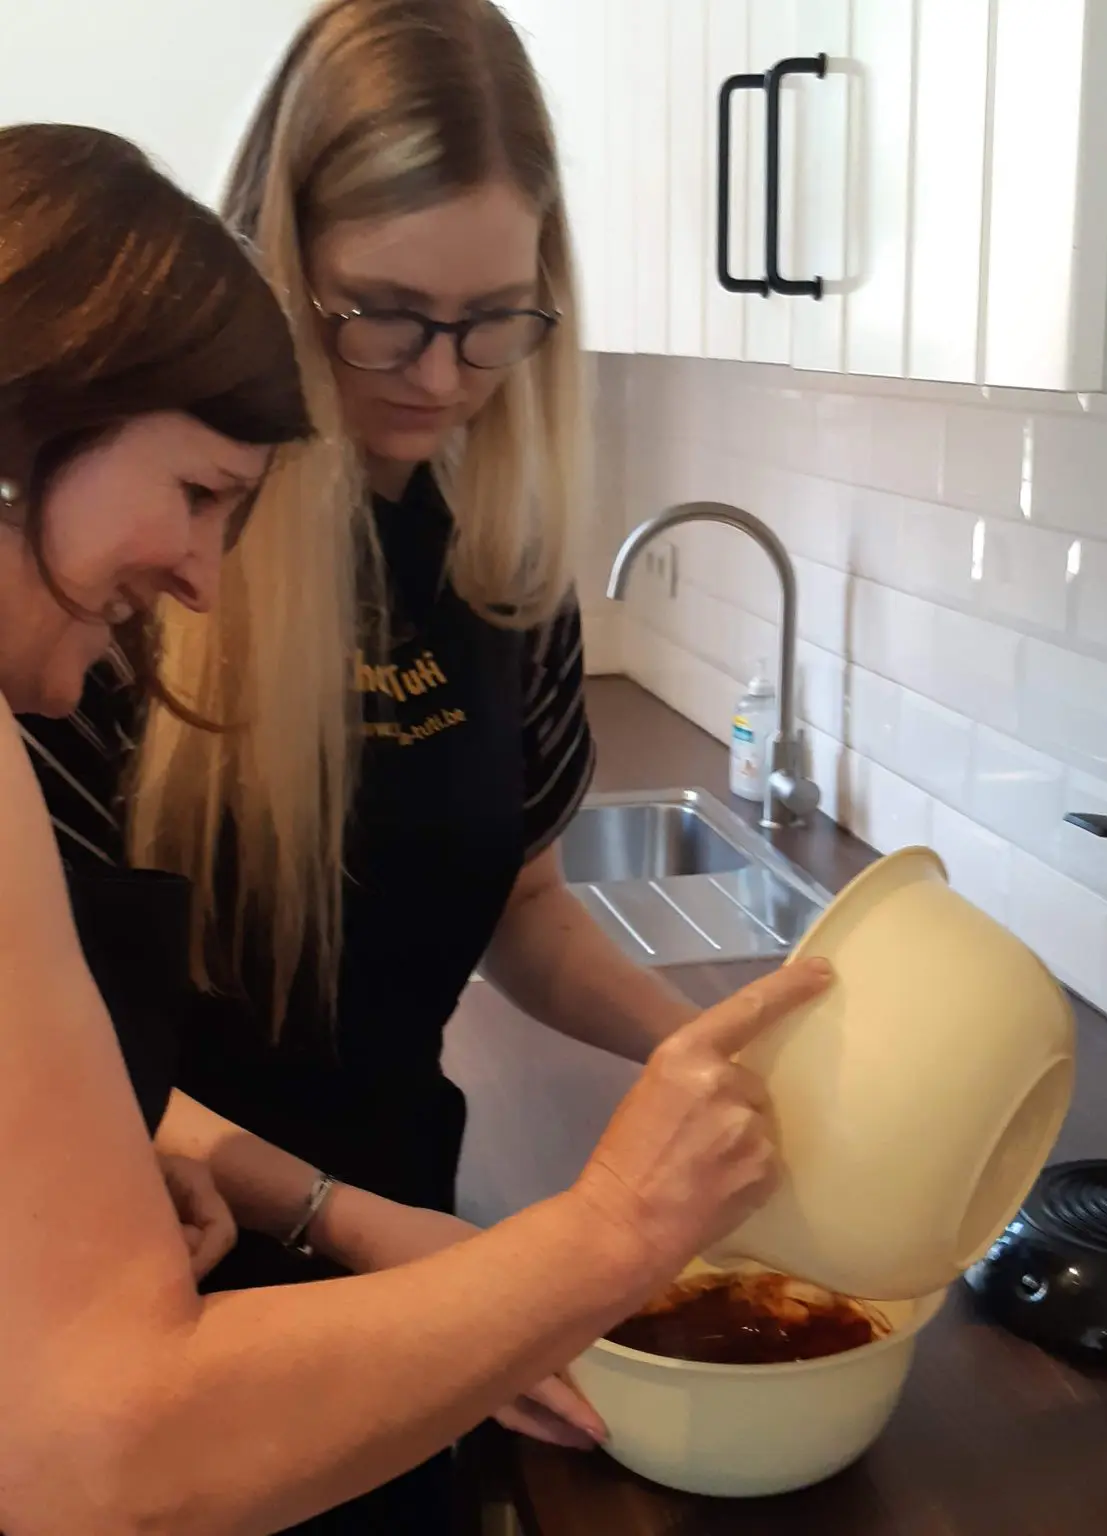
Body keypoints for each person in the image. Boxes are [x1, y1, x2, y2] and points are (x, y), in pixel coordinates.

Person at [2, 120, 830, 1535]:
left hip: (293, 1258)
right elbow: (105, 1457)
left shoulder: (497, 556)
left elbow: (519, 899)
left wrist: (142, 1166)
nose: (442, 377)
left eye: (492, 321)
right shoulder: (58, 683)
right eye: (388, 315)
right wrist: (606, 1231)